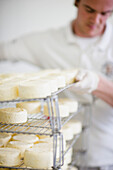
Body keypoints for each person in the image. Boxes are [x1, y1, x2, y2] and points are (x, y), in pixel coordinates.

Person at [0, 0, 113, 169]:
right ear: (77, 3)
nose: (96, 19)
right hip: (54, 155)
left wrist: (98, 83)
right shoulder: (46, 41)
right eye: (89, 10)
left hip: (104, 155)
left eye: (105, 13)